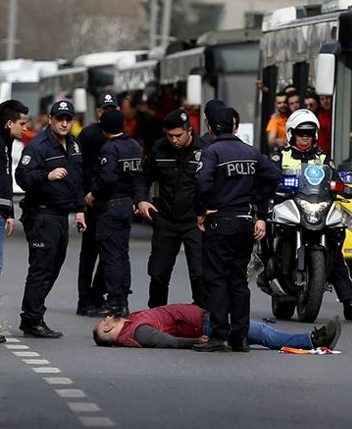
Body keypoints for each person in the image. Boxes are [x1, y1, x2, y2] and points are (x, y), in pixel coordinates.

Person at [194, 107, 282, 352]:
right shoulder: (250, 151)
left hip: (219, 222)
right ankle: (240, 338)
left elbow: (202, 182)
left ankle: (219, 334)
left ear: (210, 127)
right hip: (244, 222)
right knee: (238, 281)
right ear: (234, 126)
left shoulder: (212, 152)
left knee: (216, 279)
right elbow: (274, 175)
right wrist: (254, 199)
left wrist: (200, 210)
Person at [270, 109, 352, 322]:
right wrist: (273, 184)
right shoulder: (280, 155)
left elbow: (335, 178)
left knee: (336, 253)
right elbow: (269, 176)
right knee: (268, 234)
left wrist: (341, 186)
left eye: (309, 134)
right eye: (301, 133)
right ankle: (267, 272)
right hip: (290, 208)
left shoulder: (322, 157)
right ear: (291, 134)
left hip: (317, 207)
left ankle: (349, 303)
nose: (305, 138)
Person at [15, 100, 87, 338]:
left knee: (53, 267)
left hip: (60, 215)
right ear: (50, 119)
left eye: (68, 119)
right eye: (60, 119)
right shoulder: (38, 147)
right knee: (42, 268)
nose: (64, 123)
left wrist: (80, 210)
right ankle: (32, 318)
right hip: (41, 214)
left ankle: (33, 316)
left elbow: (77, 180)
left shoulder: (74, 145)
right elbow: (22, 177)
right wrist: (47, 175)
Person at [135, 110, 208, 309]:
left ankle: (204, 318)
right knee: (158, 273)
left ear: (189, 131)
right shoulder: (160, 149)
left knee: (200, 274)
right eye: (170, 136)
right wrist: (141, 201)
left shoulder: (205, 150)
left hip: (195, 221)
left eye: (178, 135)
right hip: (166, 219)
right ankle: (156, 315)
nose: (174, 140)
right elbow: (142, 177)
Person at [85, 110, 142, 318]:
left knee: (110, 256)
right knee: (122, 254)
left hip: (110, 206)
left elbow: (107, 178)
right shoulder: (134, 146)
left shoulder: (110, 148)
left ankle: (115, 299)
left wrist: (93, 193)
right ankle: (123, 299)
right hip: (127, 205)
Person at [92, 303, 341, 351]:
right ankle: (312, 340)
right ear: (105, 331)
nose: (106, 318)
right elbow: (166, 341)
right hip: (207, 324)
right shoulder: (137, 331)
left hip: (207, 317)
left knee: (257, 330)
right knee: (262, 334)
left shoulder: (131, 324)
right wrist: (197, 342)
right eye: (103, 322)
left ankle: (309, 340)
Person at [76, 92, 118, 316]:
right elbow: (79, 168)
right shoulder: (89, 135)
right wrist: (82, 199)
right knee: (89, 253)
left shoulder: (120, 136)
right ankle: (84, 299)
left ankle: (96, 293)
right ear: (98, 111)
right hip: (91, 202)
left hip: (112, 203)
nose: (107, 112)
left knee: (110, 253)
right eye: (104, 109)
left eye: (112, 109)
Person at [0, 100, 28, 344]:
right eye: (22, 123)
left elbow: (5, 180)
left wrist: (8, 212)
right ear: (9, 123)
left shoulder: (6, 143)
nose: (25, 128)